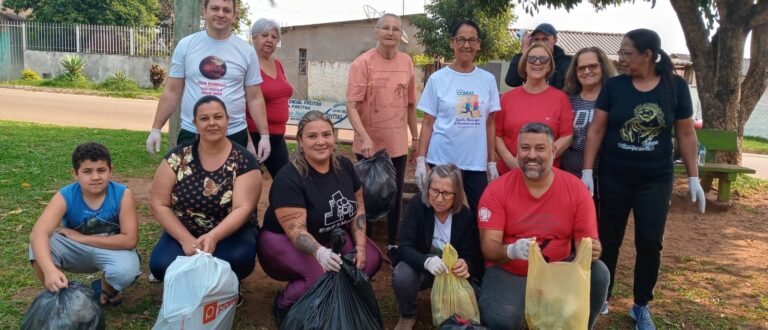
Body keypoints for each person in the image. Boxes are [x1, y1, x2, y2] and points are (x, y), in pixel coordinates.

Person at [580, 29, 705, 329]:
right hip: (615, 174)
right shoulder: (615, 86)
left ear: (648, 55)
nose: (621, 59)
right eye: (621, 53)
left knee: (650, 242)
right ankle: (603, 296)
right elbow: (597, 129)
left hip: (655, 178)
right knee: (608, 238)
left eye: (627, 53)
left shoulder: (674, 87)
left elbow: (686, 133)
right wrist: (587, 171)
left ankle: (641, 304)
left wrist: (693, 177)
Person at [477, 123, 609, 329]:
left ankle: (581, 325)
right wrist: (511, 250)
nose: (531, 155)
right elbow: (489, 249)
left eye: (540, 148)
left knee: (599, 273)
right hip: (511, 270)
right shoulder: (496, 190)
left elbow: (586, 244)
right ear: (517, 151)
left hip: (559, 269)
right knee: (500, 320)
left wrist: (593, 249)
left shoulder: (575, 189)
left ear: (553, 150)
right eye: (525, 148)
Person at [258, 110, 383, 324]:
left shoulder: (344, 165)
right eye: (312, 136)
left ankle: (334, 295)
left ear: (334, 137)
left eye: (326, 135)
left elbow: (358, 206)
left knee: (370, 261)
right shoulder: (289, 178)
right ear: (299, 140)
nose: (321, 142)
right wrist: (320, 253)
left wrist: (360, 247)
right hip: (282, 241)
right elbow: (296, 232)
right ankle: (285, 303)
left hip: (327, 235)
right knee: (319, 276)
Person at [148, 95, 262, 285]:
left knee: (237, 261)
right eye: (204, 118)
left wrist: (214, 236)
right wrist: (185, 239)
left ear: (227, 120)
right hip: (185, 230)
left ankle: (225, 288)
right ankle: (195, 286)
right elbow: (159, 203)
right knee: (161, 265)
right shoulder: (177, 157)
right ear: (195, 123)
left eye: (218, 117)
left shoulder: (244, 160)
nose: (212, 123)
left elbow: (243, 208)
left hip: (230, 233)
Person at [145, 0, 271, 163]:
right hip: (192, 132)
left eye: (226, 10)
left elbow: (254, 97)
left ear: (233, 15)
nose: (220, 14)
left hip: (233, 133)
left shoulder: (246, 52)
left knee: (232, 186)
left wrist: (264, 135)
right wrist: (156, 128)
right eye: (215, 8)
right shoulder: (186, 45)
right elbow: (172, 91)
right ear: (204, 11)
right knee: (189, 186)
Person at [347, 13, 419, 266]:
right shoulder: (362, 63)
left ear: (401, 35)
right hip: (369, 146)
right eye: (386, 28)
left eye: (396, 29)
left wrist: (416, 137)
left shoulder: (407, 62)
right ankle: (362, 241)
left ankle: (392, 243)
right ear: (377, 31)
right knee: (365, 194)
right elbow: (351, 106)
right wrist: (364, 136)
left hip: (397, 144)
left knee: (395, 193)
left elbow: (410, 104)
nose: (390, 33)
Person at [29, 142, 140, 305]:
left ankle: (106, 290)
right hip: (76, 251)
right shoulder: (65, 195)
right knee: (38, 245)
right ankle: (60, 295)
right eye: (87, 171)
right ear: (75, 173)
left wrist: (82, 238)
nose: (95, 177)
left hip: (110, 249)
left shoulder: (122, 194)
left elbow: (130, 240)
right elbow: (38, 233)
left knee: (126, 270)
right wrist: (49, 270)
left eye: (101, 170)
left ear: (111, 171)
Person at [415, 20, 501, 216]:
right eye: (461, 39)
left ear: (478, 45)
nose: (466, 45)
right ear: (452, 43)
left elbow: (490, 123)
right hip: (442, 159)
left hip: (475, 162)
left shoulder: (487, 80)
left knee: (481, 212)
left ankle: (474, 247)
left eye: (472, 40)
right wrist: (421, 160)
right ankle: (439, 247)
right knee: (441, 211)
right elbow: (427, 123)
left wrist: (491, 162)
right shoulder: (438, 79)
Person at [392, 164, 481, 330]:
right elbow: (404, 247)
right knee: (402, 275)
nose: (439, 199)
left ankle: (452, 318)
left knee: (474, 296)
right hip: (421, 268)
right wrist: (426, 261)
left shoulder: (465, 216)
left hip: (450, 272)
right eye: (434, 191)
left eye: (447, 193)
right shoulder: (417, 206)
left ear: (457, 195)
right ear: (427, 189)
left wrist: (465, 263)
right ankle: (408, 314)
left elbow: (472, 254)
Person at [495, 42, 574, 175]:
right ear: (524, 65)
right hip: (510, 172)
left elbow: (567, 136)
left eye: (543, 59)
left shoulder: (561, 98)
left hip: (546, 175)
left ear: (549, 66)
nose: (537, 62)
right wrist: (509, 159)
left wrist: (542, 159)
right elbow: (497, 135)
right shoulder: (507, 98)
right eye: (531, 58)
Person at [560, 47, 619, 210]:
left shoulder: (614, 101)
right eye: (581, 68)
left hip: (604, 177)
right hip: (569, 175)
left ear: (603, 67)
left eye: (592, 66)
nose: (586, 71)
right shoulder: (567, 100)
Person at [245, 18, 293, 177]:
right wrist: (248, 141)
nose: (269, 40)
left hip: (278, 136)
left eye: (274, 37)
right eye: (264, 35)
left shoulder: (278, 64)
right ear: (254, 37)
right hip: (253, 135)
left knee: (285, 180)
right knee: (249, 182)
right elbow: (237, 104)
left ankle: (278, 203)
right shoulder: (247, 64)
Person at [504, 23, 572, 90]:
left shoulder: (567, 62)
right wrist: (523, 50)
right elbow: (511, 81)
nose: (540, 43)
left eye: (545, 39)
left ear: (555, 39)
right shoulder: (530, 61)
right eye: (537, 39)